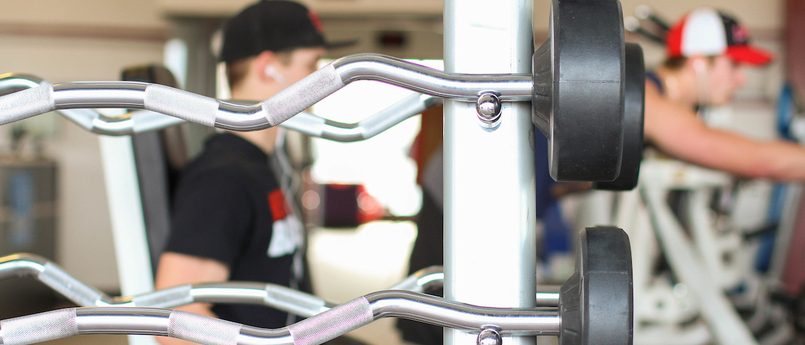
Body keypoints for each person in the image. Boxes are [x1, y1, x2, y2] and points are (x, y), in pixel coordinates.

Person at [153, 0, 338, 342]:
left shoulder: (264, 164)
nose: (322, 82)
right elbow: (175, 323)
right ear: (269, 68)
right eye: (312, 65)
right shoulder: (222, 179)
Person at [644, 8, 805, 180]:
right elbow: (761, 162)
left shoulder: (657, 95)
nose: (742, 79)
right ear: (699, 63)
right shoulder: (647, 99)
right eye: (734, 64)